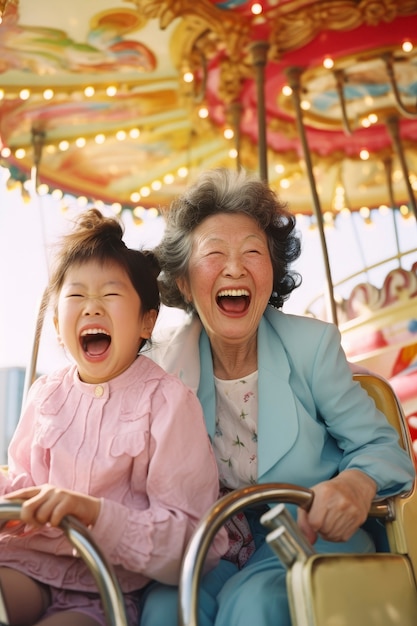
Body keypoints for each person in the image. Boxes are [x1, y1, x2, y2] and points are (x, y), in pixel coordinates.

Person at [139, 168, 415, 626]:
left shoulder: (313, 347)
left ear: (272, 273)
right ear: (185, 282)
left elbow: (385, 449)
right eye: (214, 254)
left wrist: (353, 484)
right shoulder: (161, 367)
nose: (235, 267)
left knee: (254, 605)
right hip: (214, 540)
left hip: (307, 531)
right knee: (165, 608)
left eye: (253, 252)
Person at [0, 208, 227, 626]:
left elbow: (192, 536)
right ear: (55, 319)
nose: (91, 308)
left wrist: (95, 514)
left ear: (146, 321)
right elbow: (23, 484)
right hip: (28, 563)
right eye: (76, 296)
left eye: (110, 295)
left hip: (107, 585)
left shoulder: (168, 403)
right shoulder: (46, 393)